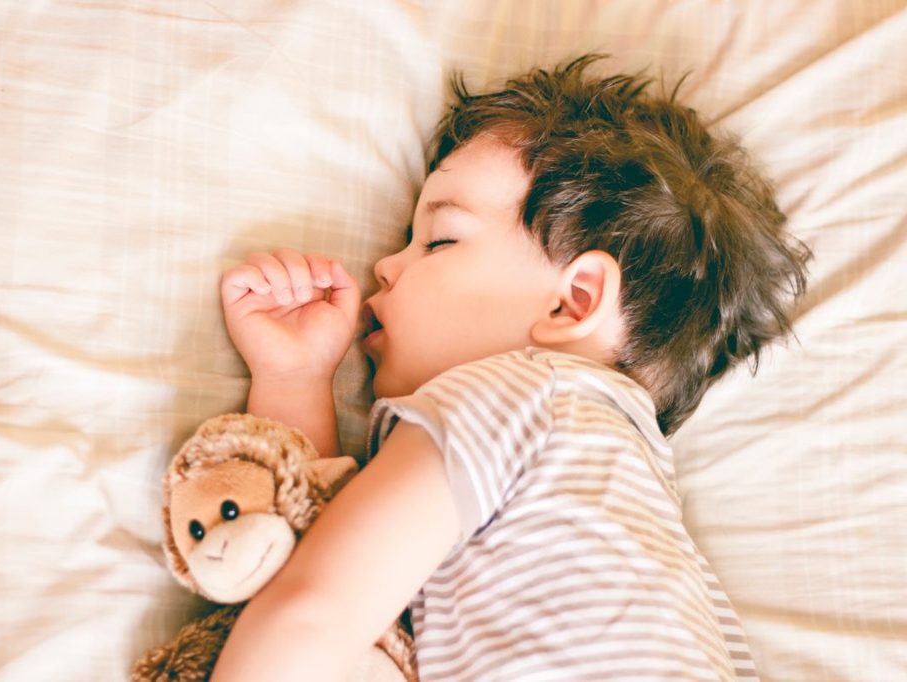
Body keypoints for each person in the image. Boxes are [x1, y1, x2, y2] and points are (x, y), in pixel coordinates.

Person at [211, 54, 810, 681]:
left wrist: (293, 381)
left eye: (439, 241)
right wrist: (296, 378)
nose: (387, 265)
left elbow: (315, 611)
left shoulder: (519, 395)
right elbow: (360, 625)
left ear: (571, 302)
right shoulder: (613, 491)